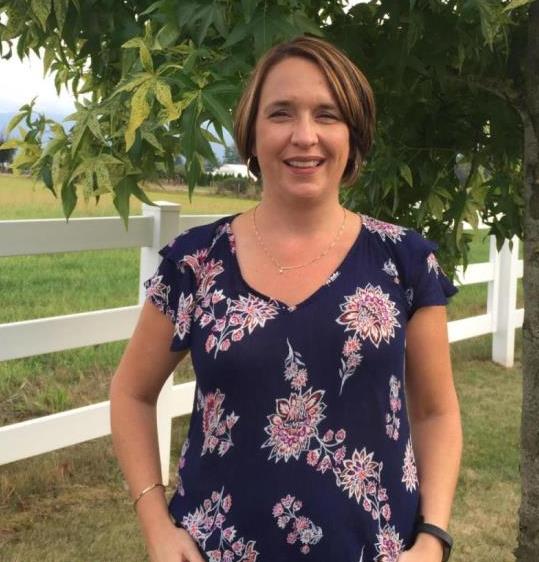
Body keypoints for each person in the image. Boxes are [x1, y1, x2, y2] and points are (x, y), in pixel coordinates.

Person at [110, 36, 462, 562]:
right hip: (216, 550)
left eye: (328, 114)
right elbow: (131, 394)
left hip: (376, 550)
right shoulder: (195, 262)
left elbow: (436, 412)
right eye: (281, 113)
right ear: (251, 134)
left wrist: (433, 539)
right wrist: (156, 524)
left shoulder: (404, 261)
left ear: (354, 135)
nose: (305, 136)